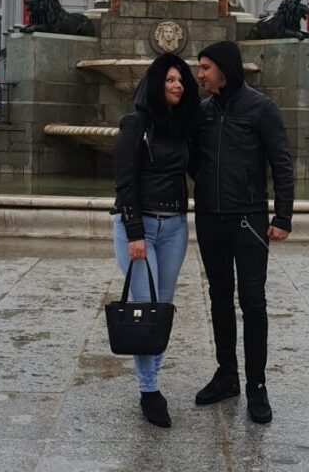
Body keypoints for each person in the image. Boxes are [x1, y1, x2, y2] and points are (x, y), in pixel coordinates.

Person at [191, 40, 294, 424]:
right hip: (210, 219)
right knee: (219, 298)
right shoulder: (202, 112)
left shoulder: (261, 108)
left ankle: (257, 386)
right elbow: (193, 162)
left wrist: (282, 217)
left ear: (224, 69)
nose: (199, 74)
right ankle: (226, 375)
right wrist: (206, 188)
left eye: (205, 67)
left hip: (248, 220)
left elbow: (281, 164)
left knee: (252, 301)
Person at [112, 52, 202, 428]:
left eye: (180, 79)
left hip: (175, 227)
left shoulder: (183, 127)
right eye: (169, 79)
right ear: (155, 84)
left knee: (161, 310)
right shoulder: (134, 124)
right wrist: (134, 232)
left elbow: (198, 170)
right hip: (140, 228)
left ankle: (152, 379)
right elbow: (125, 180)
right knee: (145, 307)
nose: (177, 85)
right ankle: (149, 390)